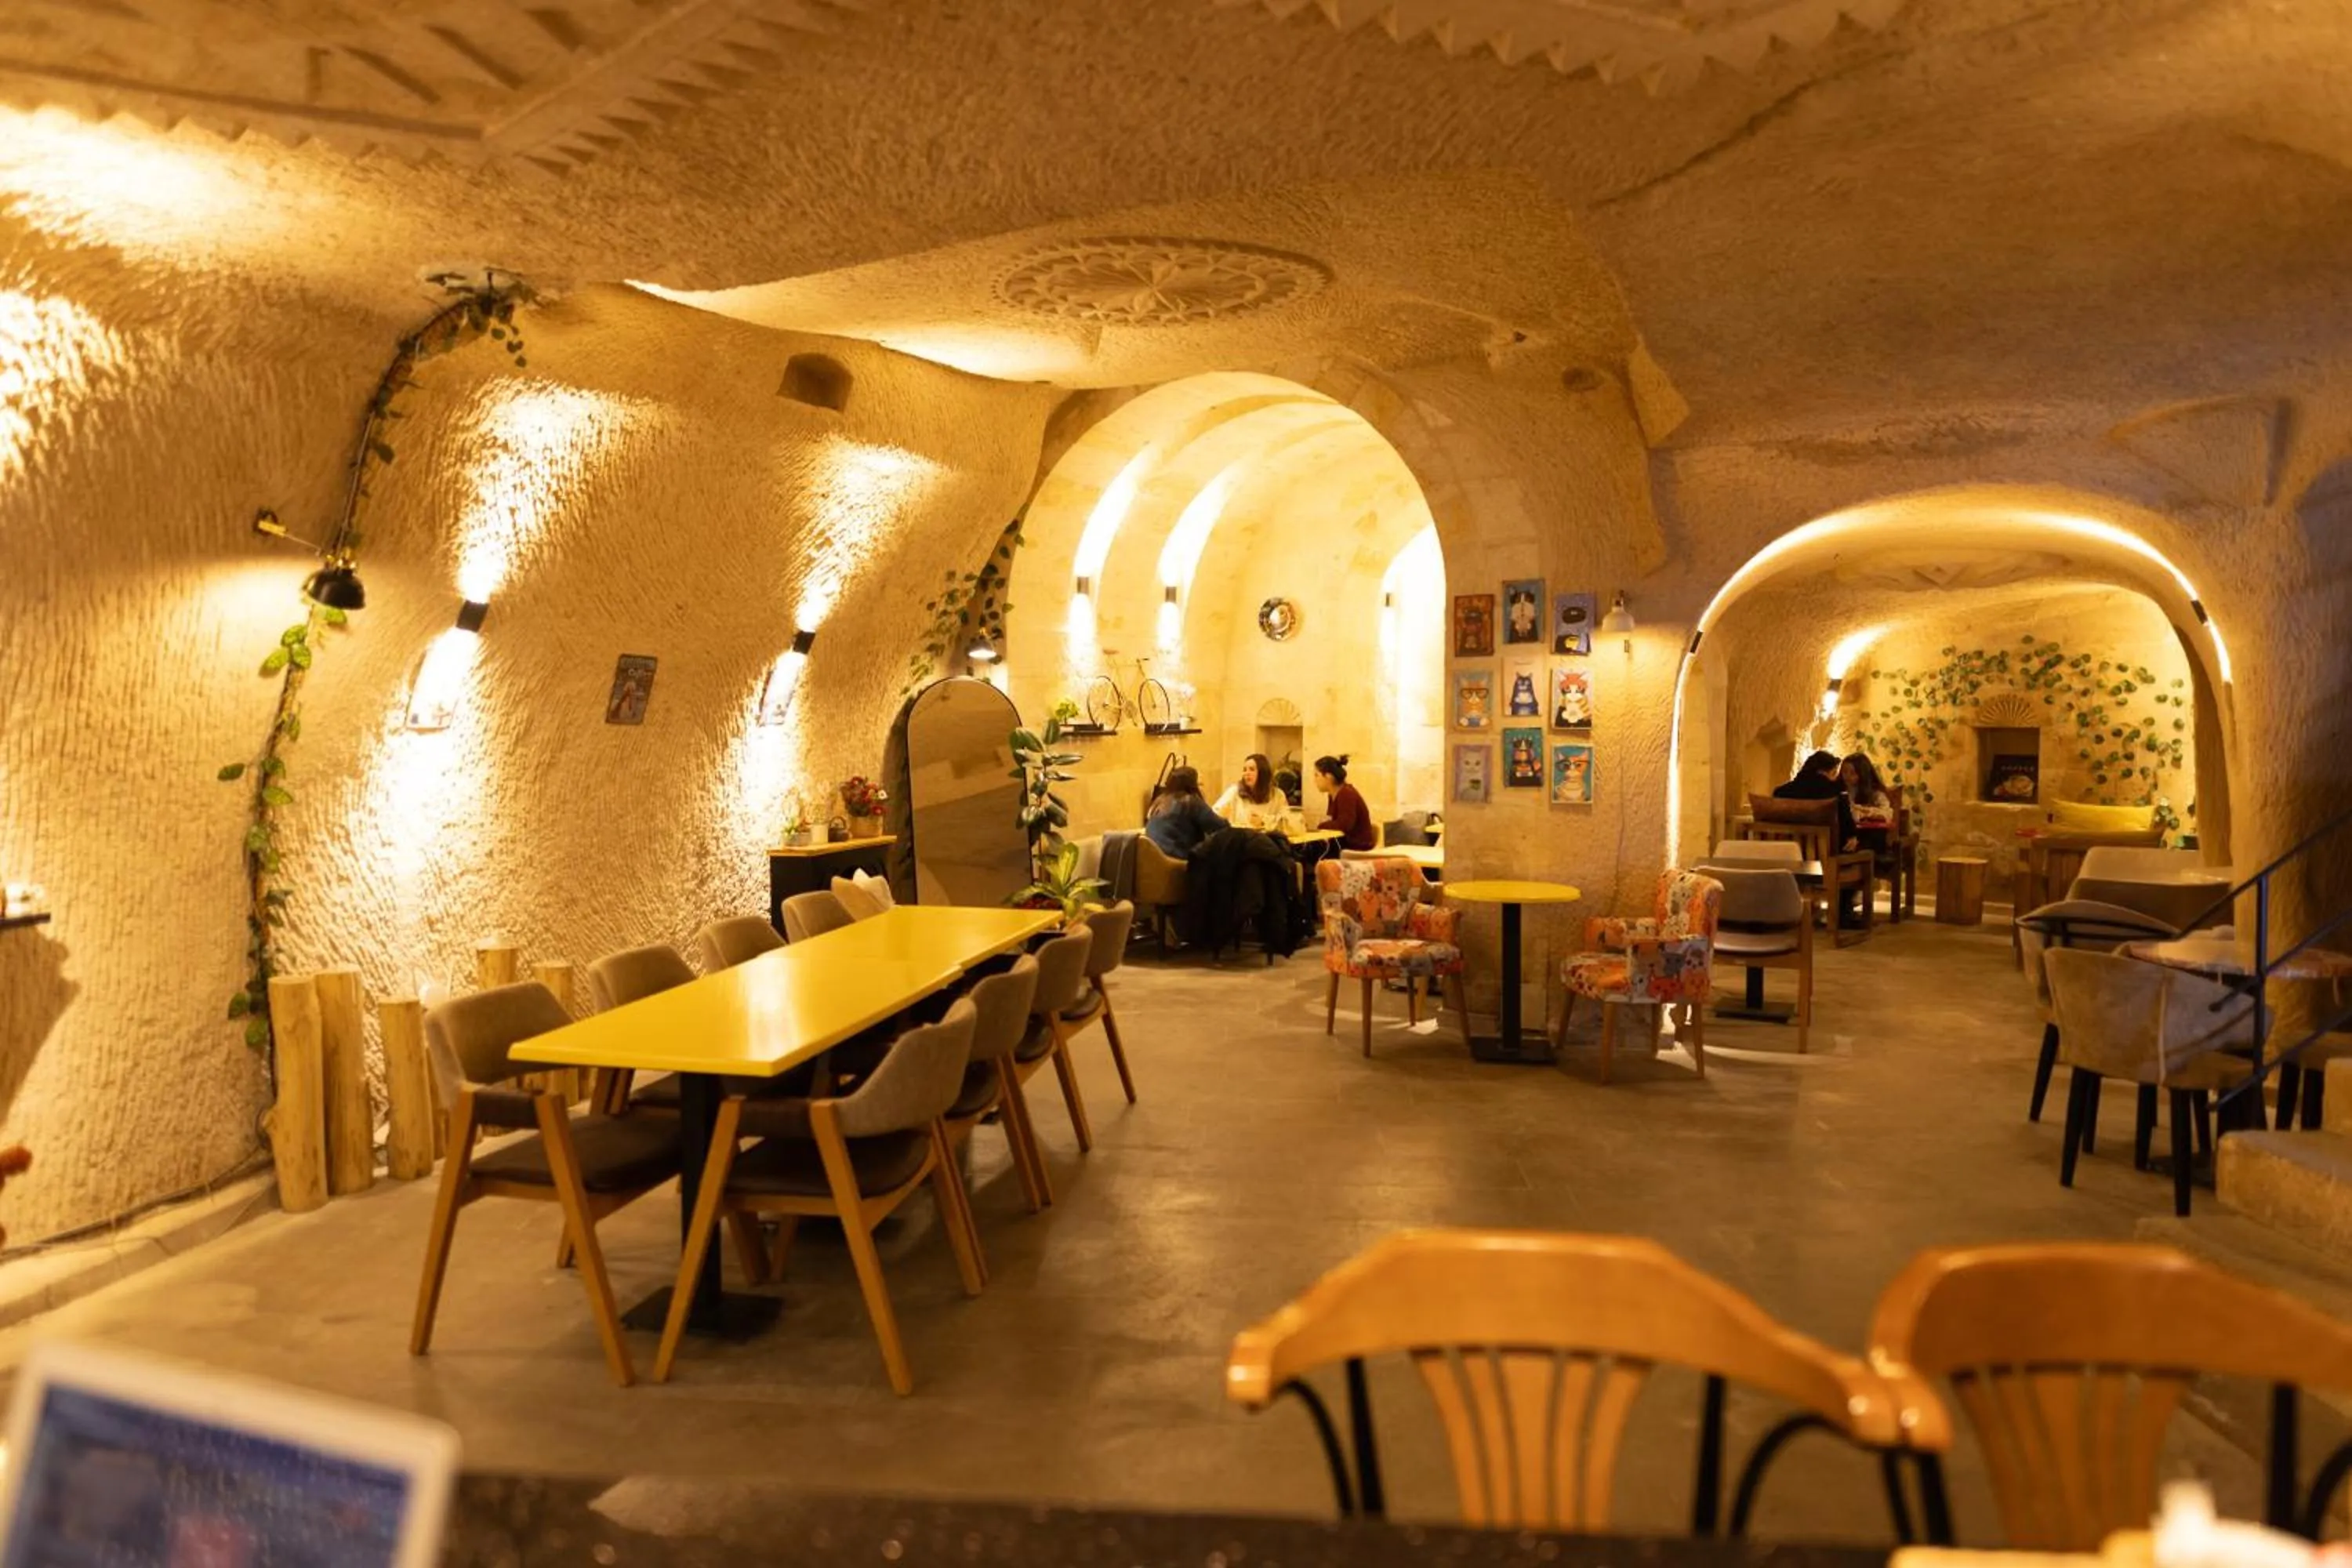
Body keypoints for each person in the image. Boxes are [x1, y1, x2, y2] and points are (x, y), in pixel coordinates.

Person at [1773, 750, 1858, 850]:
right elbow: (1848, 827)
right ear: (1824, 772)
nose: (1834, 778)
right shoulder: (1835, 792)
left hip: (1787, 850)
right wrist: (1853, 836)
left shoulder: (1780, 792)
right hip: (1825, 850)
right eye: (1834, 773)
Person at [1143, 766, 1227, 861]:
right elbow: (1221, 828)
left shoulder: (1159, 801)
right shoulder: (1190, 801)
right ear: (1193, 785)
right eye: (1200, 784)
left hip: (1153, 862)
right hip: (1176, 862)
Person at [1213, 753, 1295, 833]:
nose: (1247, 773)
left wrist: (1264, 820)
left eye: (1252, 769)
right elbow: (1214, 815)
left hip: (1268, 842)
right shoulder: (1234, 792)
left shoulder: (1277, 795)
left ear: (1262, 773)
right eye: (1245, 770)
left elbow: (1289, 824)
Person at [1313, 754, 1377, 851]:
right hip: (1342, 844)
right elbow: (1333, 821)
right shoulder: (1332, 795)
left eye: (1317, 775)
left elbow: (1345, 824)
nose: (1315, 780)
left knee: (1311, 854)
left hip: (1356, 848)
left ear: (1328, 776)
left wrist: (1320, 826)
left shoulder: (1346, 794)